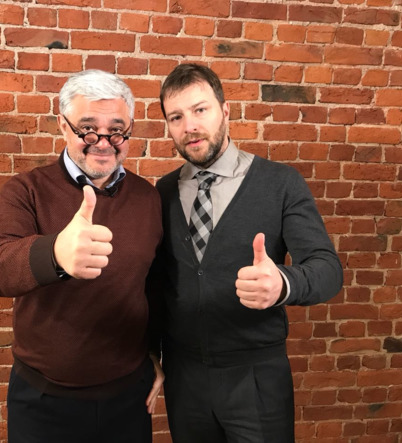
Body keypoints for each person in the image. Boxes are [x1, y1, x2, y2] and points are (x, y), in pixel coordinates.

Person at [150, 63, 344, 442]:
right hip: (184, 377)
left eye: (200, 110)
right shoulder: (163, 191)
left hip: (256, 377)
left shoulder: (280, 183)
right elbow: (156, 282)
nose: (190, 126)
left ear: (225, 111)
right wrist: (150, 351)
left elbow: (327, 269)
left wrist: (283, 283)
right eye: (176, 117)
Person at [0, 69, 164, 443]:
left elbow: (155, 285)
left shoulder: (148, 197)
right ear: (63, 126)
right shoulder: (26, 190)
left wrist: (159, 354)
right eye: (88, 129)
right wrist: (55, 254)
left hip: (129, 397)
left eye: (116, 130)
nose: (103, 143)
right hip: (43, 399)